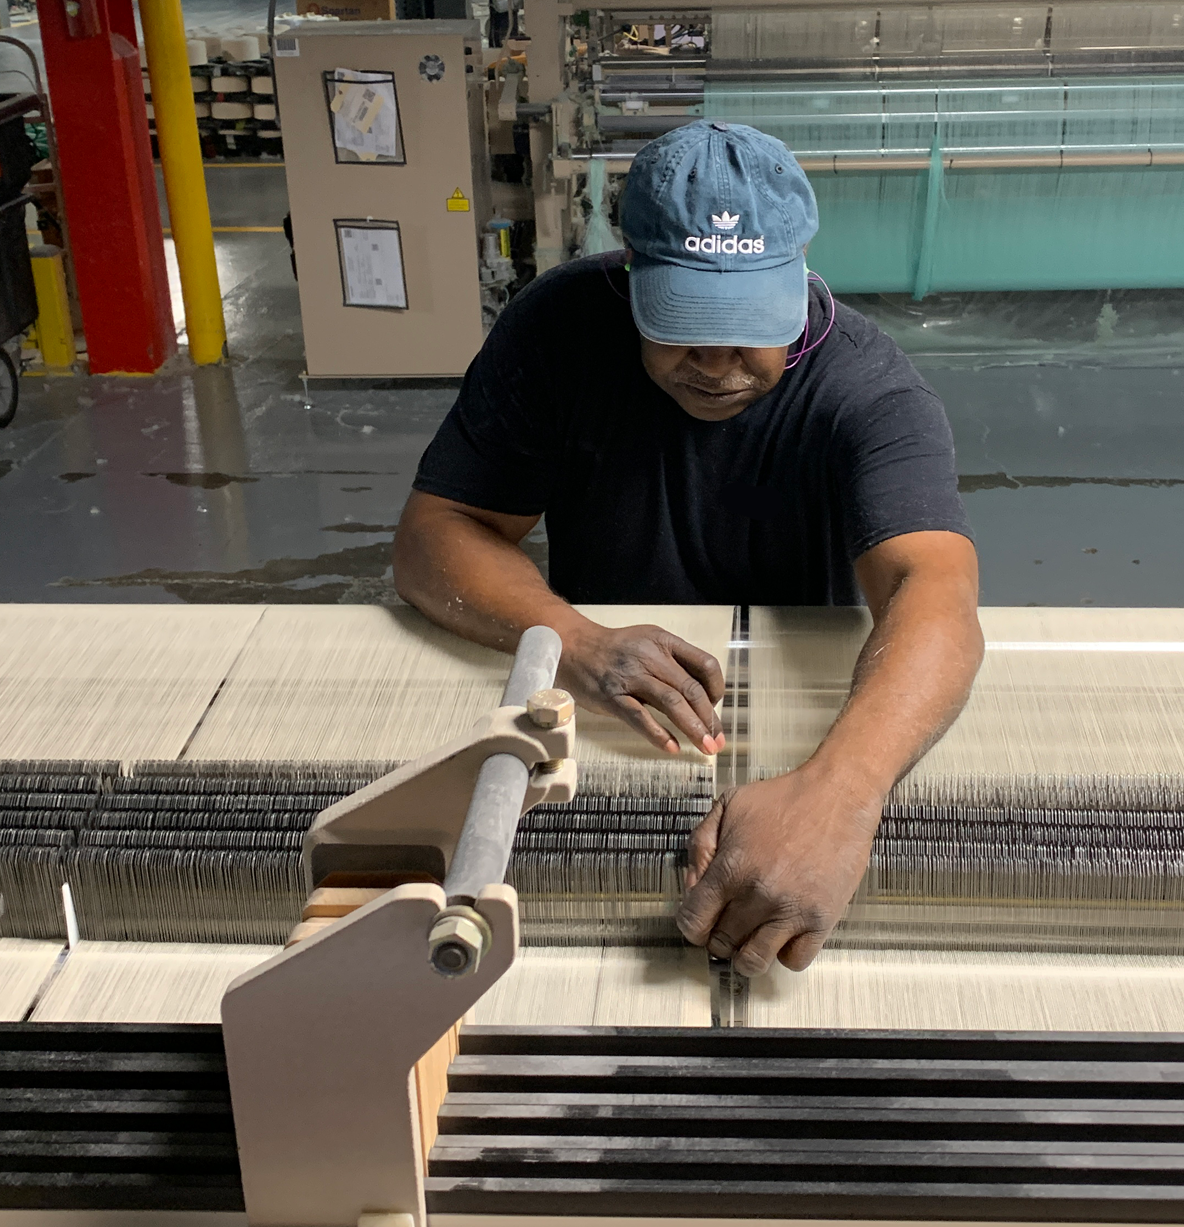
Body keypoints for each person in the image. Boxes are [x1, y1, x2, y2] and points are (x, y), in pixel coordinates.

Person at [394, 119, 983, 976]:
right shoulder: (560, 333)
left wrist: (839, 797)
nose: (715, 362)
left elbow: (934, 591)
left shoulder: (868, 392)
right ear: (630, 275)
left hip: (799, 705)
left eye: (748, 327)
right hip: (610, 718)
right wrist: (576, 644)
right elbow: (431, 540)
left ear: (798, 281)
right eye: (681, 325)